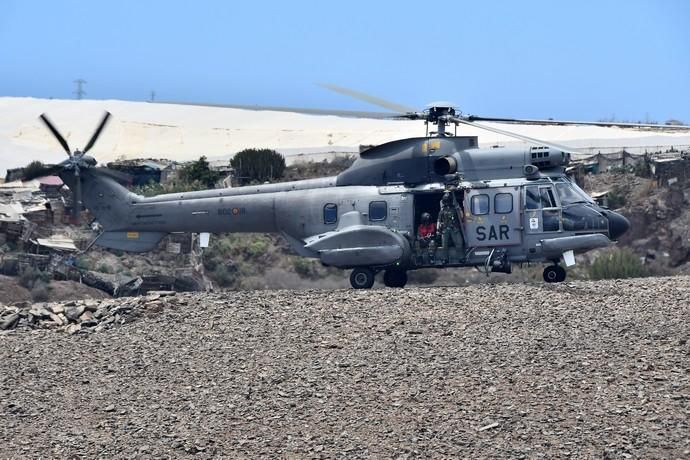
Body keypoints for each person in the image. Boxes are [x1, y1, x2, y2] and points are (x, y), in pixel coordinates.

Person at [437, 192, 465, 264]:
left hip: (454, 228)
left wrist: (458, 208)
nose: (447, 202)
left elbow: (461, 217)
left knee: (459, 243)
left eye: (448, 200)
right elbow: (439, 220)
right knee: (444, 245)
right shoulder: (442, 210)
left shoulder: (455, 209)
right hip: (445, 229)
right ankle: (445, 259)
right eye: (445, 201)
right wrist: (438, 228)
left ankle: (461, 258)